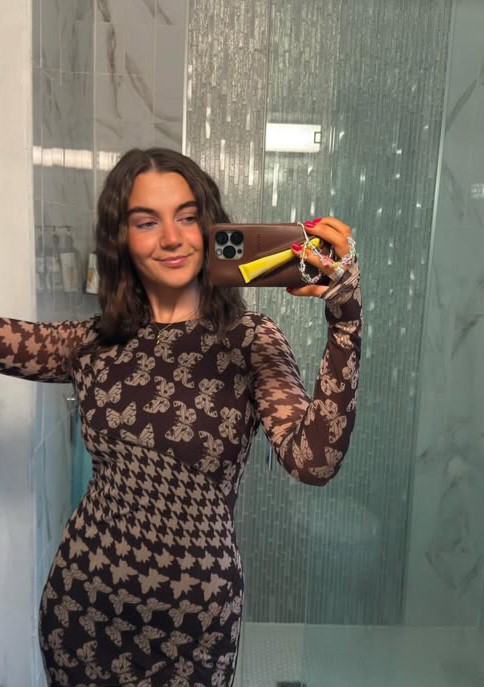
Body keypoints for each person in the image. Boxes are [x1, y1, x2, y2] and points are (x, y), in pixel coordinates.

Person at [0, 148, 363, 687]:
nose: (171, 238)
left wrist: (345, 320)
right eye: (147, 222)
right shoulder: (91, 342)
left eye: (187, 217)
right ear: (122, 240)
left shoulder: (251, 340)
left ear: (210, 227)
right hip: (84, 607)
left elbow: (314, 462)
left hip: (198, 625)